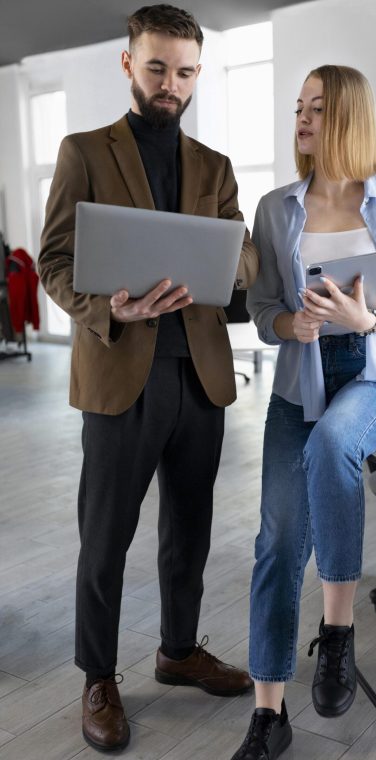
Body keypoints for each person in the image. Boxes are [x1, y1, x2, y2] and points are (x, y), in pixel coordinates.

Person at [38, 4, 258, 753]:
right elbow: (54, 264)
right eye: (158, 66)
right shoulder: (83, 151)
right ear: (128, 64)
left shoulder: (215, 168)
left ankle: (178, 648)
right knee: (106, 535)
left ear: (199, 73)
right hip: (119, 368)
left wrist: (228, 260)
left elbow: (248, 259)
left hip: (199, 375)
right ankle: (97, 674)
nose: (172, 83)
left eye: (186, 70)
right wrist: (111, 307)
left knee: (188, 530)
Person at [231, 65, 376, 760]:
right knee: (277, 541)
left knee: (333, 443)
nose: (303, 119)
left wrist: (365, 317)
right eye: (298, 107)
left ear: (347, 117)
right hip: (301, 377)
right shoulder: (276, 206)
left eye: (317, 108)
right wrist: (293, 326)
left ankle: (336, 634)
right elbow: (260, 312)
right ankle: (268, 715)